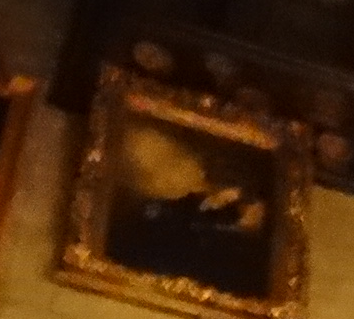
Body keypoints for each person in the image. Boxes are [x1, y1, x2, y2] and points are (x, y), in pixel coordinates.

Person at [105, 122, 271, 300]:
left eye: (172, 159)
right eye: (150, 176)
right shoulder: (163, 227)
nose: (169, 177)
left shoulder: (236, 175)